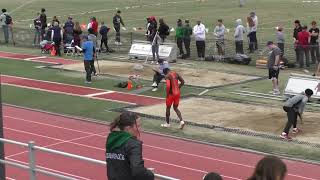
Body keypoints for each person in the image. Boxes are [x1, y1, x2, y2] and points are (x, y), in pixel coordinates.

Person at [106, 112, 154, 180]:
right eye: (138, 126)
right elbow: (138, 171)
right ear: (128, 128)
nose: (140, 129)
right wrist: (150, 175)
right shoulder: (133, 143)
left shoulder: (111, 139)